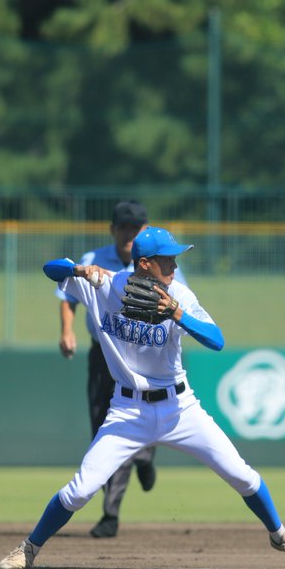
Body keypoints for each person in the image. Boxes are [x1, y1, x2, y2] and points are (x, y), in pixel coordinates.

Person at [0, 226, 285, 569]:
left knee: (242, 476)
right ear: (143, 264)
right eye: (166, 259)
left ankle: (282, 536)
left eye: (174, 258)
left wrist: (176, 313)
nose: (173, 265)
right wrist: (79, 270)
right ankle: (28, 549)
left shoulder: (179, 295)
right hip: (127, 411)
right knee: (80, 491)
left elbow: (217, 340)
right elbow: (50, 270)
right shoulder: (105, 286)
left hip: (179, 408)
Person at [56, 200, 172, 538]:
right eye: (123, 227)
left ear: (144, 230)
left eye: (135, 228)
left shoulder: (161, 262)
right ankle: (113, 510)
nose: (129, 233)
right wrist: (67, 330)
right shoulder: (94, 260)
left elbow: (180, 302)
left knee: (148, 413)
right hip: (104, 354)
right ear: (113, 229)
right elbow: (67, 295)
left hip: (147, 354)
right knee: (103, 426)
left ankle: (143, 460)